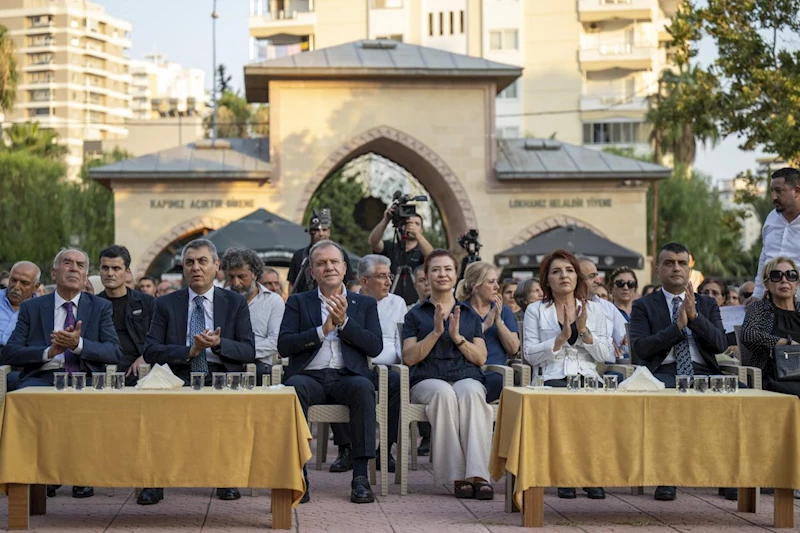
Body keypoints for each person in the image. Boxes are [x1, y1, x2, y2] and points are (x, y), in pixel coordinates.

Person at [141, 239, 255, 506]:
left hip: (220, 372)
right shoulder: (166, 304)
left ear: (217, 266)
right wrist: (189, 351)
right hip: (177, 373)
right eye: (189, 262)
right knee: (155, 406)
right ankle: (154, 480)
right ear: (183, 268)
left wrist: (218, 344)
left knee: (228, 408)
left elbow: (249, 350)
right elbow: (151, 350)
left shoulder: (235, 302)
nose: (196, 268)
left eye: (203, 261)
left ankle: (225, 477)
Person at [1, 249, 121, 500]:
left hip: (85, 378)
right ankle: (43, 474)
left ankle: (81, 474)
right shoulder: (33, 307)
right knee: (27, 404)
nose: (74, 269)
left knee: (88, 407)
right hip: (44, 375)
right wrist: (49, 351)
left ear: (86, 275)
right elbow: (11, 352)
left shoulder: (100, 307)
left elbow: (113, 352)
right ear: (54, 273)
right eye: (68, 263)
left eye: (80, 265)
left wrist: (77, 346)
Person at [278, 240, 382, 504]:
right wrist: (321, 331)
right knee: (293, 389)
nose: (329, 267)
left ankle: (360, 476)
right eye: (321, 263)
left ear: (345, 268)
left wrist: (345, 323)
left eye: (334, 262)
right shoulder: (298, 302)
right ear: (312, 272)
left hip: (347, 378)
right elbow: (284, 345)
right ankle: (298, 474)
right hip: (309, 376)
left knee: (363, 388)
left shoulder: (365, 304)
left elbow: (375, 346)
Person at [628, 242, 727, 502]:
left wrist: (695, 318)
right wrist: (677, 329)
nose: (676, 268)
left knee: (734, 402)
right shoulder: (644, 306)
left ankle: (728, 477)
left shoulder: (706, 304)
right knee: (666, 401)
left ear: (689, 270)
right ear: (658, 270)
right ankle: (667, 475)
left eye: (682, 263)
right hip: (665, 371)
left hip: (703, 371)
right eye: (670, 263)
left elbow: (720, 344)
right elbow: (640, 349)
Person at [402, 249, 494, 500]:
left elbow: (481, 358)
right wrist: (434, 333)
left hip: (465, 374)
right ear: (426, 276)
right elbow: (409, 357)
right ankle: (457, 476)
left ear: (456, 276)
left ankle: (479, 474)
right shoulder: (414, 315)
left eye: (447, 269)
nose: (442, 274)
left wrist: (457, 337)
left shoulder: (470, 315)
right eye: (435, 269)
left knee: (473, 393)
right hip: (427, 378)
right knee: (444, 394)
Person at [523, 249, 609, 500]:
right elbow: (529, 354)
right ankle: (566, 475)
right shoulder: (536, 310)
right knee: (563, 403)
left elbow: (604, 355)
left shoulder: (594, 310)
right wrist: (559, 340)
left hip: (588, 375)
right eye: (556, 271)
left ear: (577, 277)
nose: (564, 276)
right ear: (547, 279)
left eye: (569, 270)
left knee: (593, 403)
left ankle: (591, 473)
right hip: (552, 374)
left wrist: (585, 333)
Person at [329, 255, 403, 473]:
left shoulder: (397, 303)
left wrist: (403, 361)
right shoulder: (348, 302)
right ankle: (346, 449)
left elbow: (400, 340)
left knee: (398, 381)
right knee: (336, 376)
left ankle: (385, 450)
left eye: (389, 276)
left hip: (385, 367)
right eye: (382, 276)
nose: (388, 281)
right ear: (364, 281)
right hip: (356, 365)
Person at [457, 262, 519, 403]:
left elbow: (514, 348)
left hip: (496, 372)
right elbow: (456, 343)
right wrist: (485, 325)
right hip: (466, 372)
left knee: (497, 379)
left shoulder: (504, 311)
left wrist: (498, 321)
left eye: (497, 281)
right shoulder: (460, 310)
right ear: (475, 286)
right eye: (491, 282)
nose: (497, 287)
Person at [221, 248, 284, 384]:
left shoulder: (273, 301)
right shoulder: (220, 299)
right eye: (231, 277)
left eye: (242, 277)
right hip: (226, 363)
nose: (236, 283)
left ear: (255, 274)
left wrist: (243, 351)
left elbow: (275, 341)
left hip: (261, 366)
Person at [741, 256, 800, 398]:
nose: (784, 280)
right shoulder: (760, 308)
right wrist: (787, 343)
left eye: (791, 275)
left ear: (797, 283)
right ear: (767, 283)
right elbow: (748, 334)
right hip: (773, 376)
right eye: (776, 276)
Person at [96, 245, 155, 383]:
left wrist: (146, 357)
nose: (110, 273)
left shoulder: (147, 303)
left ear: (127, 272)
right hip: (102, 369)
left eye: (116, 268)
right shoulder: (93, 304)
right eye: (105, 268)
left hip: (140, 370)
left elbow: (159, 336)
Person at [368, 203, 434, 305]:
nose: (412, 226)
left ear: (421, 229)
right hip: (390, 303)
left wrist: (417, 234)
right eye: (408, 223)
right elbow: (373, 242)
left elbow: (433, 256)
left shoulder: (422, 250)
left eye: (416, 224)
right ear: (401, 226)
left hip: (416, 303)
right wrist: (386, 220)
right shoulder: (391, 246)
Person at [754, 168, 800, 299]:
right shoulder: (771, 219)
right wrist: (757, 294)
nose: (774, 197)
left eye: (779, 191)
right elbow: (764, 257)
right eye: (772, 191)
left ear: (797, 191)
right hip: (769, 302)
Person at [288, 208, 355, 294]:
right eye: (316, 230)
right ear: (309, 232)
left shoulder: (340, 254)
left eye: (324, 230)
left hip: (335, 302)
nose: (321, 234)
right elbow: (292, 284)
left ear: (329, 232)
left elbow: (349, 282)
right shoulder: (299, 256)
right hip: (305, 303)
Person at [579, 259, 626, 359]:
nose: (598, 280)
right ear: (577, 279)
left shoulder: (608, 307)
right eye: (592, 276)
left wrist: (624, 340)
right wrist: (608, 343)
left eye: (597, 275)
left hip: (611, 366)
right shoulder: (568, 305)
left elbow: (625, 339)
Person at [0, 262, 41, 347]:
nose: (16, 287)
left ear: (36, 287)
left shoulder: (42, 309)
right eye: (13, 280)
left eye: (24, 283)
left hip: (19, 357)